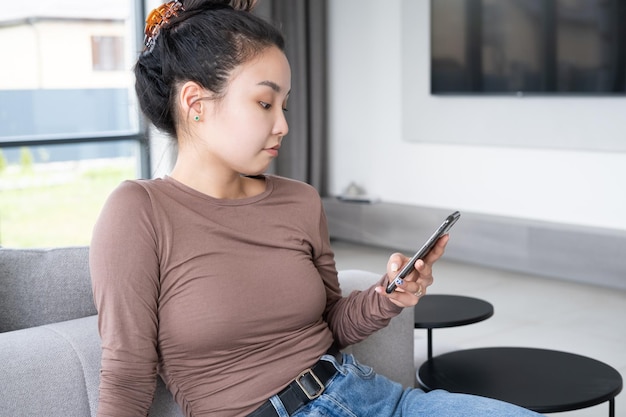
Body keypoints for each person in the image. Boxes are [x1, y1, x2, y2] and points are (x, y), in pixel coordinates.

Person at [89, 1, 544, 416]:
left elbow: (331, 323)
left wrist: (388, 296)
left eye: (284, 105)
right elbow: (127, 376)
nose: (283, 124)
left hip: (377, 400)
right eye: (265, 103)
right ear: (195, 103)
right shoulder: (138, 211)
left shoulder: (299, 200)